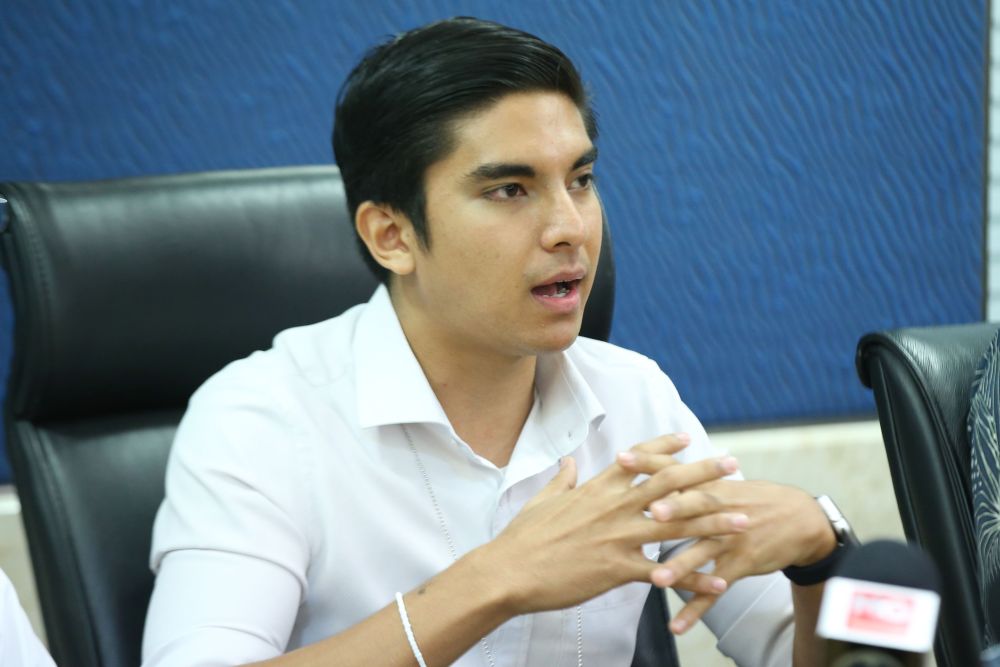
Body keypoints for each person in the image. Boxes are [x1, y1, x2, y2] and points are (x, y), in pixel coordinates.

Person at [142, 17, 847, 667]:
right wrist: (497, 578)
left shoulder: (632, 398)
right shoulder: (261, 418)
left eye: (582, 179)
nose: (570, 227)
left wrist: (821, 556)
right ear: (391, 236)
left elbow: (791, 647)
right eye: (511, 190)